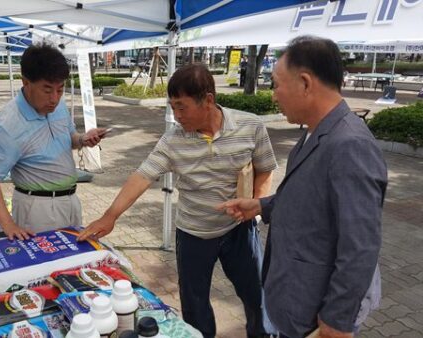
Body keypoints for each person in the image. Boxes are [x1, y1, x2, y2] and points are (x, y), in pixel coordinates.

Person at [78, 64, 278, 338]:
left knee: (256, 295)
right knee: (195, 306)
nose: (176, 115)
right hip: (193, 233)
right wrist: (110, 215)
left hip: (239, 231)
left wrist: (255, 206)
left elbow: (265, 168)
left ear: (208, 100)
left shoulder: (250, 126)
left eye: (182, 107)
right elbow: (142, 176)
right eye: (172, 106)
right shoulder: (173, 140)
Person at [220, 36, 387, 338]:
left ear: (306, 83)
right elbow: (310, 197)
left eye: (276, 84)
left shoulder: (350, 145)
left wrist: (337, 321)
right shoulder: (318, 132)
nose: (274, 95)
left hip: (317, 312)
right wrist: (261, 206)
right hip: (296, 298)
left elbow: (360, 246)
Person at [0, 43, 107, 240]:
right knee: (47, 267)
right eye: (47, 90)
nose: (54, 98)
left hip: (70, 200)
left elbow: (68, 138)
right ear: (26, 82)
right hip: (37, 209)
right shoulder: (8, 125)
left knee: (69, 263)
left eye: (60, 89)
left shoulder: (59, 106)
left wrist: (82, 139)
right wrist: (8, 224)